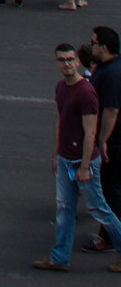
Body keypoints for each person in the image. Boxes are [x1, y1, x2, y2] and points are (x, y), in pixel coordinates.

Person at [35, 41, 121, 270]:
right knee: (64, 208)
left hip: (82, 161)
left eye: (70, 59)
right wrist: (56, 155)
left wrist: (84, 166)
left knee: (98, 209)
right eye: (62, 60)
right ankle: (60, 258)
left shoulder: (86, 91)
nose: (67, 64)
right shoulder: (61, 88)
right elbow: (60, 122)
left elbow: (91, 132)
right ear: (57, 63)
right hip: (65, 159)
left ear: (78, 61)